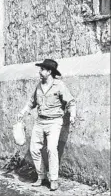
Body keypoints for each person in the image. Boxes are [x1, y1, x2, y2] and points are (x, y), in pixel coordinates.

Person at [16, 59, 76, 191]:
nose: (40, 71)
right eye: (40, 69)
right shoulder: (38, 86)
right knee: (34, 149)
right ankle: (41, 176)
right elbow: (32, 102)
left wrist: (72, 115)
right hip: (40, 121)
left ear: (49, 72)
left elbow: (71, 101)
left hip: (54, 122)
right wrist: (23, 112)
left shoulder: (59, 85)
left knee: (51, 149)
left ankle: (53, 179)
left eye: (42, 69)